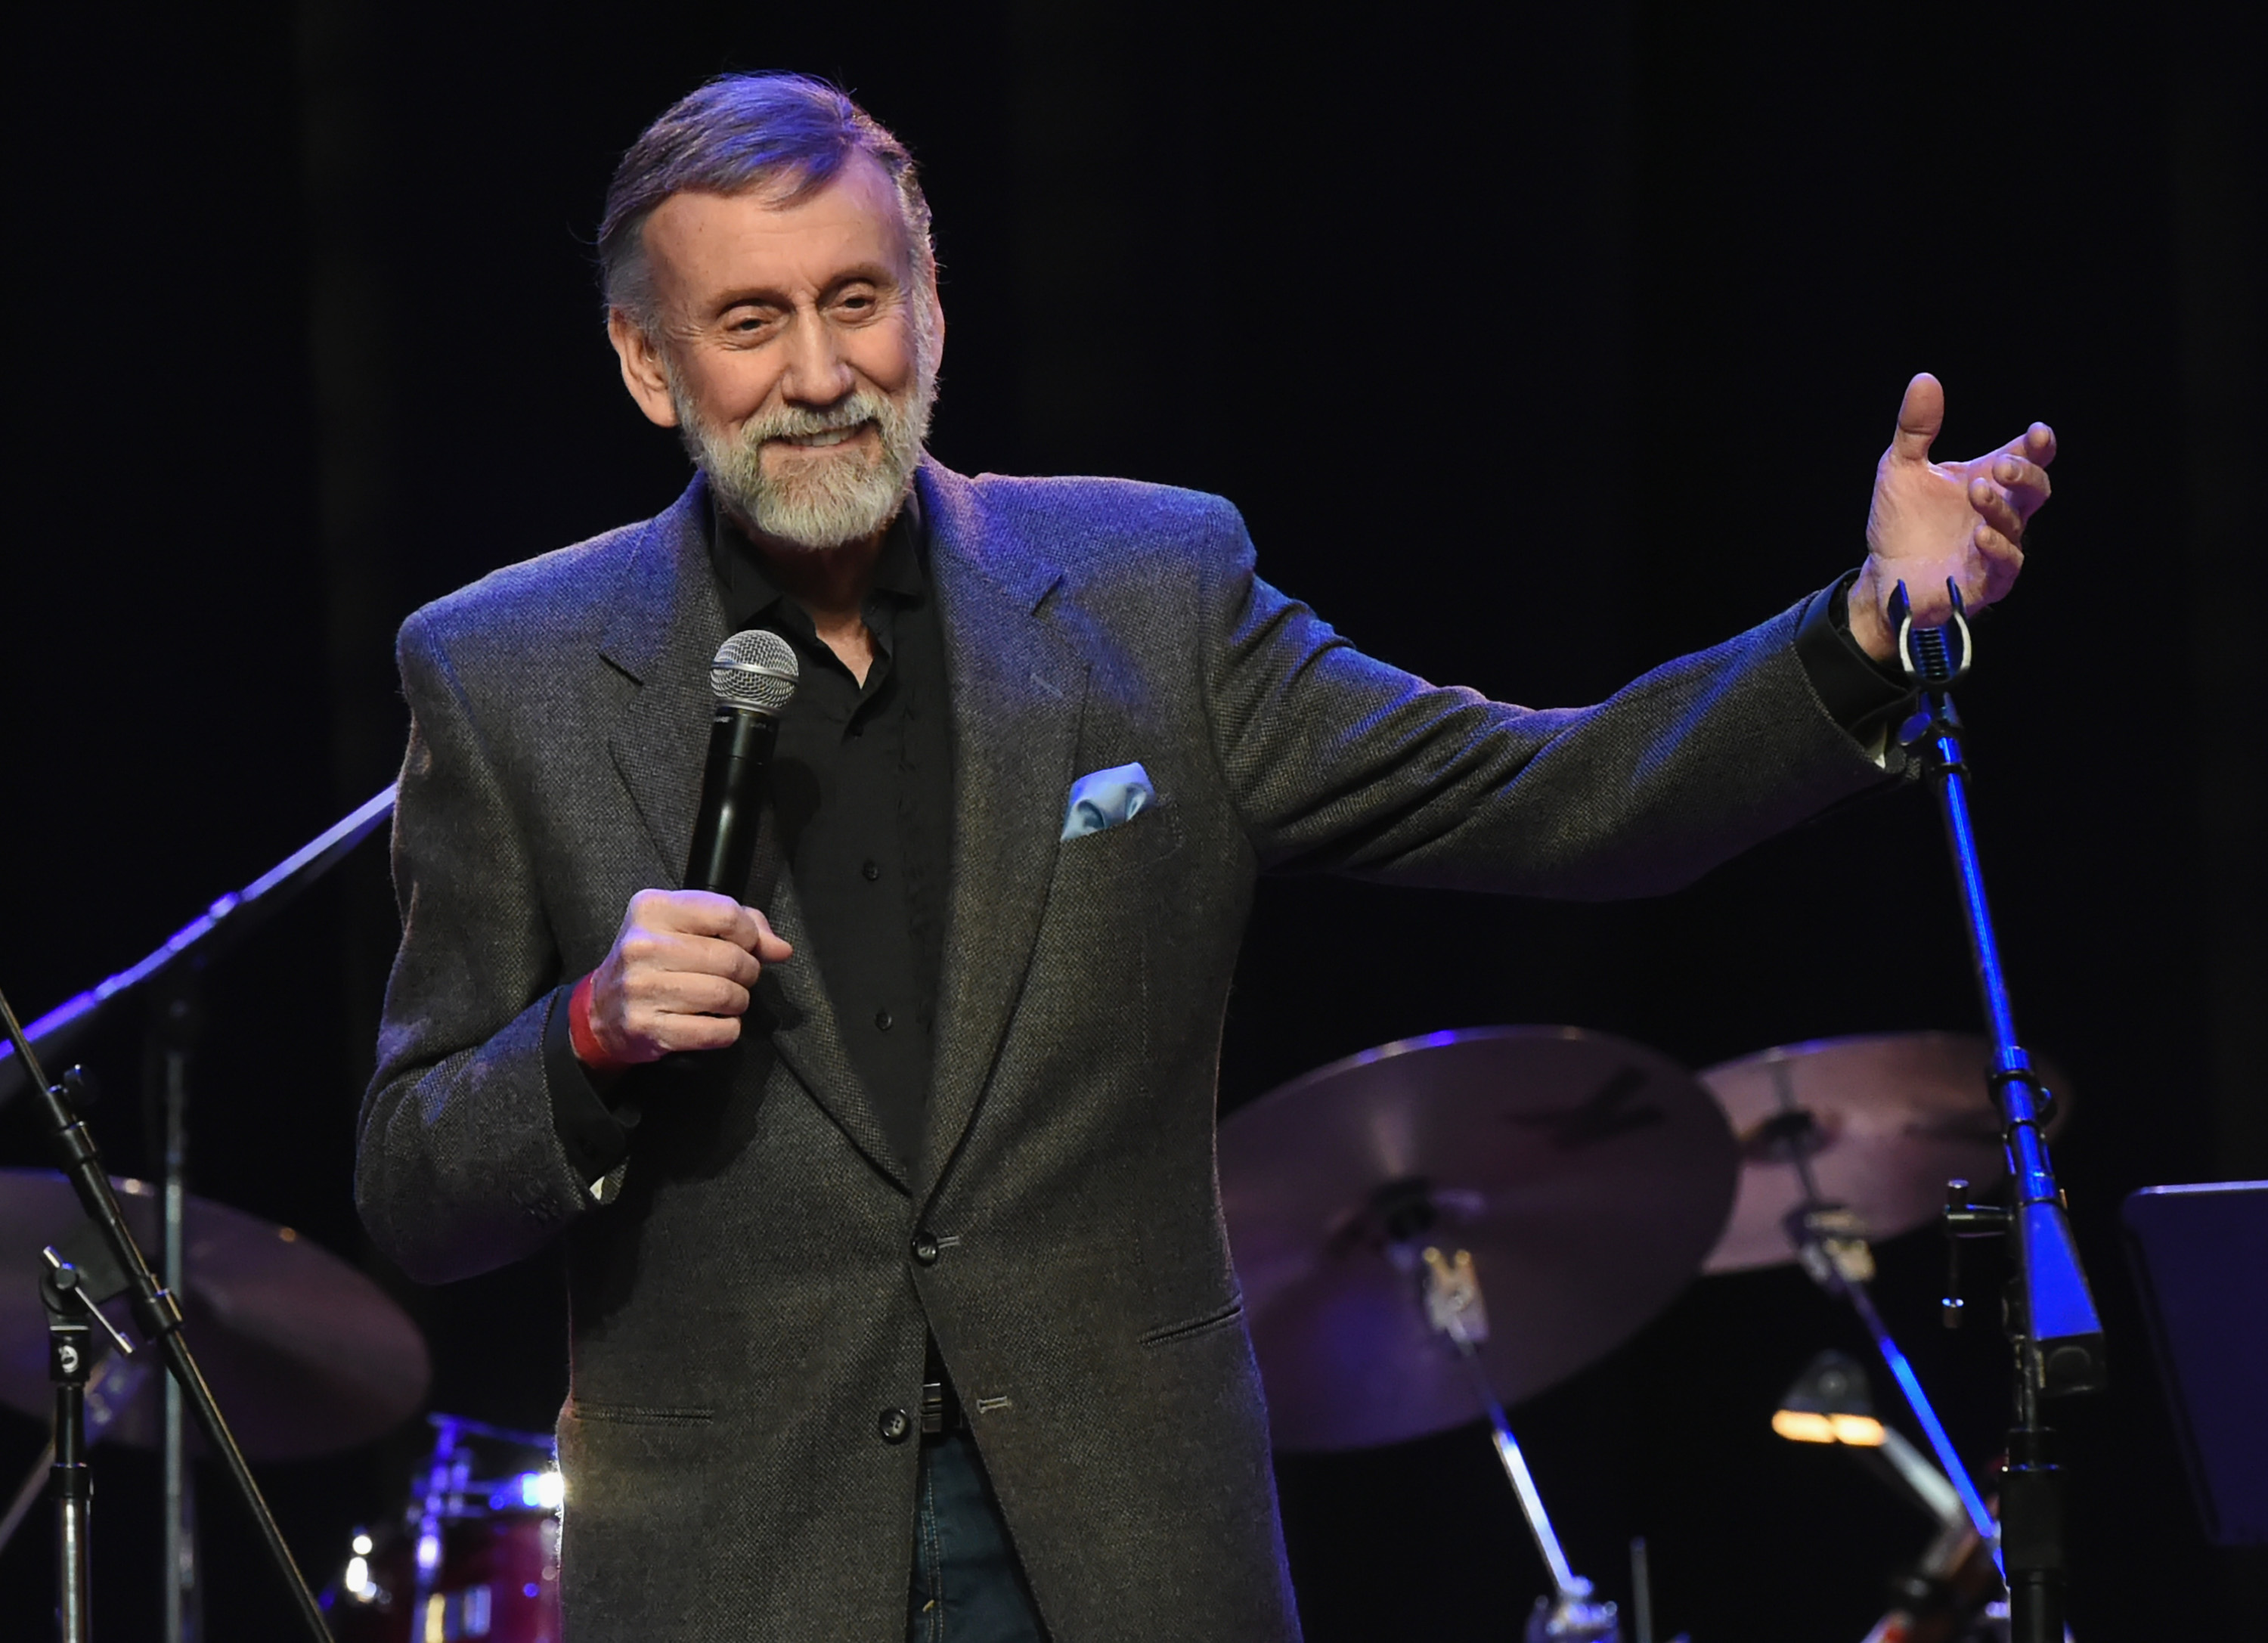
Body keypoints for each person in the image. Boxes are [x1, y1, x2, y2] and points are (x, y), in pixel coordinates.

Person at [356, 73, 2054, 1643]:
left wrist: (1860, 628)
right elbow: (416, 1181)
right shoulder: (508, 672)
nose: (818, 373)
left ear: (930, 309)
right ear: (652, 364)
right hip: (737, 1569)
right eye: (749, 321)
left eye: (855, 300)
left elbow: (1559, 796)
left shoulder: (1152, 591)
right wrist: (588, 1035)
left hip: (1126, 1555)